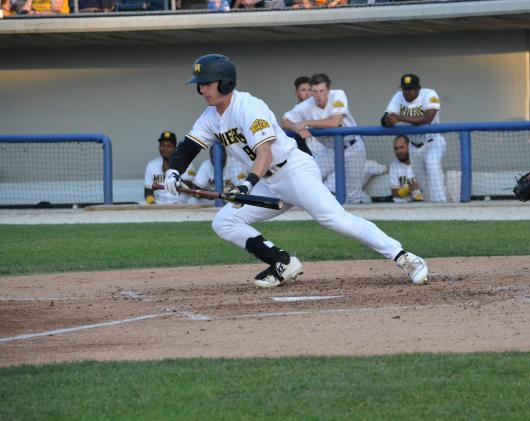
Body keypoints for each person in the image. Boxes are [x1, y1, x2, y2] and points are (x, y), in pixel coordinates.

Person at [164, 54, 428, 288]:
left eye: (207, 83)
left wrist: (247, 184)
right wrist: (173, 172)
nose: (201, 90)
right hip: (267, 181)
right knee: (224, 221)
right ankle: (282, 262)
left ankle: (405, 257)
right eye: (200, 84)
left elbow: (265, 153)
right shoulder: (210, 116)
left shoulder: (249, 107)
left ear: (225, 83)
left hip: (293, 171)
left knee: (336, 220)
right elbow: (188, 147)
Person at [281, 73, 366, 203]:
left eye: (322, 91)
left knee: (353, 193)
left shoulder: (338, 95)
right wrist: (296, 128)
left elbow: (334, 122)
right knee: (308, 174)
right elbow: (285, 121)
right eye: (314, 91)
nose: (318, 95)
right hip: (330, 149)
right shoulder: (306, 105)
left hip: (352, 147)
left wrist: (306, 123)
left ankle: (356, 219)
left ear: (328, 90)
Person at [381, 73, 447, 202]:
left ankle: (442, 205)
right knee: (422, 181)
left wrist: (400, 118)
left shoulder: (429, 94)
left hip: (432, 142)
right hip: (413, 145)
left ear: (418, 88)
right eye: (405, 88)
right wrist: (388, 120)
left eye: (410, 88)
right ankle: (431, 207)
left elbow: (428, 118)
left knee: (433, 166)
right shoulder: (398, 96)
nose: (407, 92)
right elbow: (384, 118)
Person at [144, 131, 196, 205]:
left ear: (175, 148)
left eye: (169, 146)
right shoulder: (152, 165)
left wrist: (174, 177)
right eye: (162, 145)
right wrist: (152, 204)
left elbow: (192, 188)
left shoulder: (187, 163)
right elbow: (148, 191)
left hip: (182, 203)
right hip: (160, 204)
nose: (165, 149)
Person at [388, 135, 424, 203]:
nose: (399, 151)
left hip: (424, 202)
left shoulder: (421, 161)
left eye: (402, 147)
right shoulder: (394, 166)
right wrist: (408, 188)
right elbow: (394, 192)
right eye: (396, 148)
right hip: (403, 205)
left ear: (409, 147)